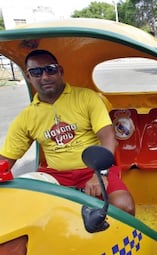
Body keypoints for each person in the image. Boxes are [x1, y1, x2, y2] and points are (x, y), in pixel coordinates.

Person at [0, 49, 135, 215]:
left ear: (60, 71)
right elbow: (6, 159)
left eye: (50, 69)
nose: (44, 77)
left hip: (92, 170)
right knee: (18, 205)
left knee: (124, 206)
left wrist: (100, 174)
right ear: (28, 77)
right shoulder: (26, 117)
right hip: (55, 176)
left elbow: (108, 138)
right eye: (36, 72)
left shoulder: (86, 98)